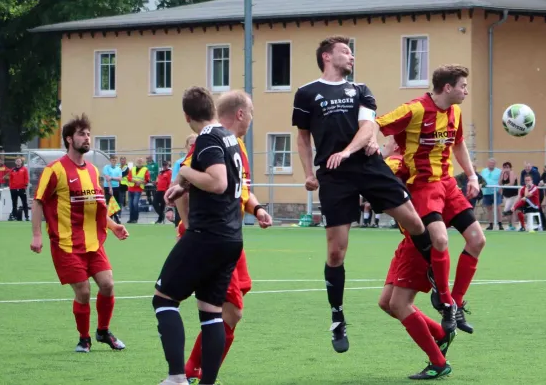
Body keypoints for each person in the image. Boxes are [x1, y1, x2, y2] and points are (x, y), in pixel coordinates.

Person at [292, 35, 434, 353]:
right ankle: (337, 317)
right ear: (327, 56)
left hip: (368, 167)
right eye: (345, 51)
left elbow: (368, 127)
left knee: (414, 221)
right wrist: (307, 173)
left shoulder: (360, 90)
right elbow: (302, 138)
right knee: (335, 253)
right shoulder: (306, 93)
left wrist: (347, 151)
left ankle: (436, 281)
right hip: (333, 175)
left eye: (352, 51)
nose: (351, 55)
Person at [164, 90, 273, 384]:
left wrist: (257, 208)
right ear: (240, 114)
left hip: (228, 235)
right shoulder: (212, 140)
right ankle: (190, 371)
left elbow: (239, 191)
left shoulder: (235, 146)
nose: (252, 119)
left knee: (229, 312)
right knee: (228, 313)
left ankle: (195, 373)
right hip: (212, 236)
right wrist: (189, 230)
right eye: (250, 113)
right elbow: (182, 183)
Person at [375, 64, 486, 335]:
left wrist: (471, 176)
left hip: (447, 185)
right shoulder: (414, 109)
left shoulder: (455, 112)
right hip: (423, 186)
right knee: (440, 239)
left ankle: (455, 303)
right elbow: (376, 124)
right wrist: (366, 147)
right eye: (463, 86)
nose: (466, 91)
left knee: (478, 239)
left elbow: (458, 144)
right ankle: (445, 302)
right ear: (447, 87)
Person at [152, 87, 244, 385]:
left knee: (164, 299)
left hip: (207, 234)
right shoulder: (229, 137)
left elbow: (217, 182)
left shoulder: (207, 138)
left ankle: (177, 376)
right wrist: (184, 184)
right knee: (211, 313)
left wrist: (185, 173)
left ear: (187, 117)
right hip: (230, 236)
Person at [29, 114, 129, 353]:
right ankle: (84, 339)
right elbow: (38, 202)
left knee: (108, 285)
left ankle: (103, 331)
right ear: (69, 139)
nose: (87, 138)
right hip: (66, 244)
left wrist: (113, 226)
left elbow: (94, 208)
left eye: (88, 134)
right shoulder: (55, 170)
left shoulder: (94, 171)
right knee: (83, 291)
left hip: (94, 243)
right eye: (82, 134)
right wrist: (36, 235)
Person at [379, 234, 455, 379]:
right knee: (386, 302)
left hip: (419, 247)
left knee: (399, 304)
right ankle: (441, 334)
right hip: (406, 244)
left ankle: (439, 363)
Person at [480, 158, 503, 230]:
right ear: (487, 163)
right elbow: (481, 180)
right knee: (489, 209)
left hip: (496, 192)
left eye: (493, 163)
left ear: (495, 164)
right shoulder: (483, 171)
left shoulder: (499, 171)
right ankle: (491, 224)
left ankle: (500, 224)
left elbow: (502, 181)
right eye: (490, 163)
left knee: (498, 208)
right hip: (486, 192)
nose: (491, 165)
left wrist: (500, 189)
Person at [102, 155, 123, 224]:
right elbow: (107, 179)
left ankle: (115, 217)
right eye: (113, 160)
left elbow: (120, 179)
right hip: (108, 187)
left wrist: (112, 178)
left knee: (115, 203)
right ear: (110, 160)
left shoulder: (118, 169)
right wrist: (110, 188)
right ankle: (113, 218)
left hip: (116, 187)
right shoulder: (106, 167)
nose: (114, 161)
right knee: (109, 203)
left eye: (115, 160)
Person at [499, 162, 518, 231]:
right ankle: (511, 225)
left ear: (510, 168)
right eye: (504, 167)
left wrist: (505, 186)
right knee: (510, 211)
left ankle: (513, 225)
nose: (506, 169)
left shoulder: (511, 173)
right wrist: (501, 174)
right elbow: (499, 183)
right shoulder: (503, 174)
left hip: (513, 196)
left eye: (507, 167)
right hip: (505, 196)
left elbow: (512, 183)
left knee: (507, 210)